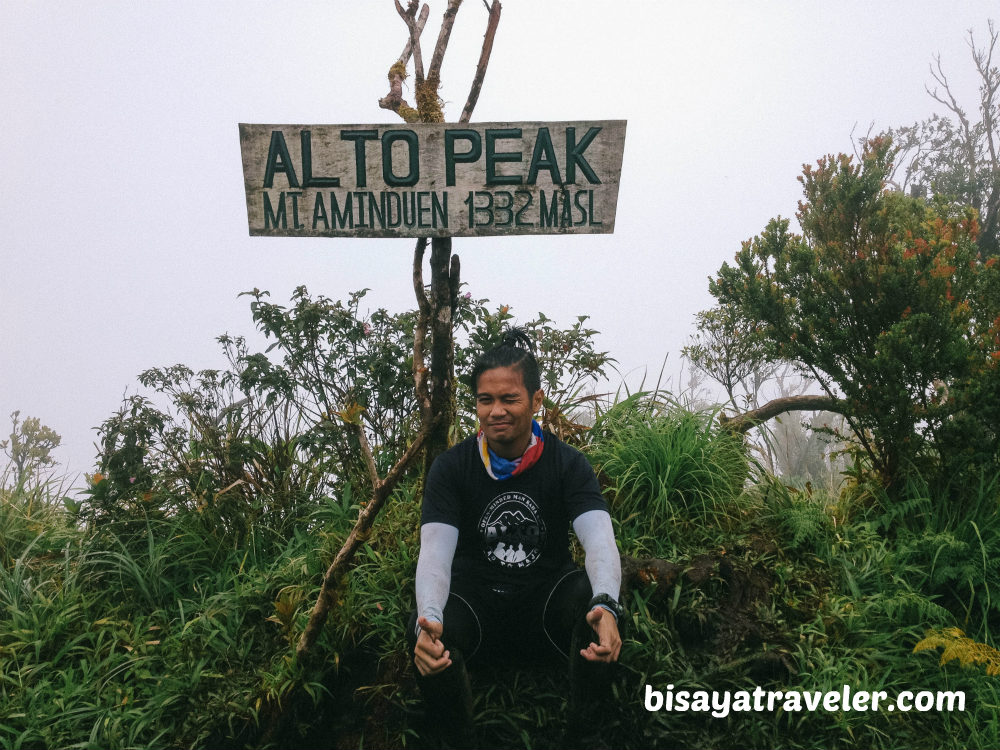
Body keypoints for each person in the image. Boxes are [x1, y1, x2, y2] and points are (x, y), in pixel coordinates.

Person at [406, 328, 623, 746]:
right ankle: (458, 738)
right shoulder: (452, 468)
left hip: (546, 607)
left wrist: (606, 605)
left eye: (509, 399)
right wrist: (428, 620)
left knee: (593, 601)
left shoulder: (568, 464)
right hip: (477, 610)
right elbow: (434, 552)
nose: (495, 411)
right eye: (485, 400)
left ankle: (584, 734)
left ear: (536, 401)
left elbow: (599, 540)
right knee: (429, 624)